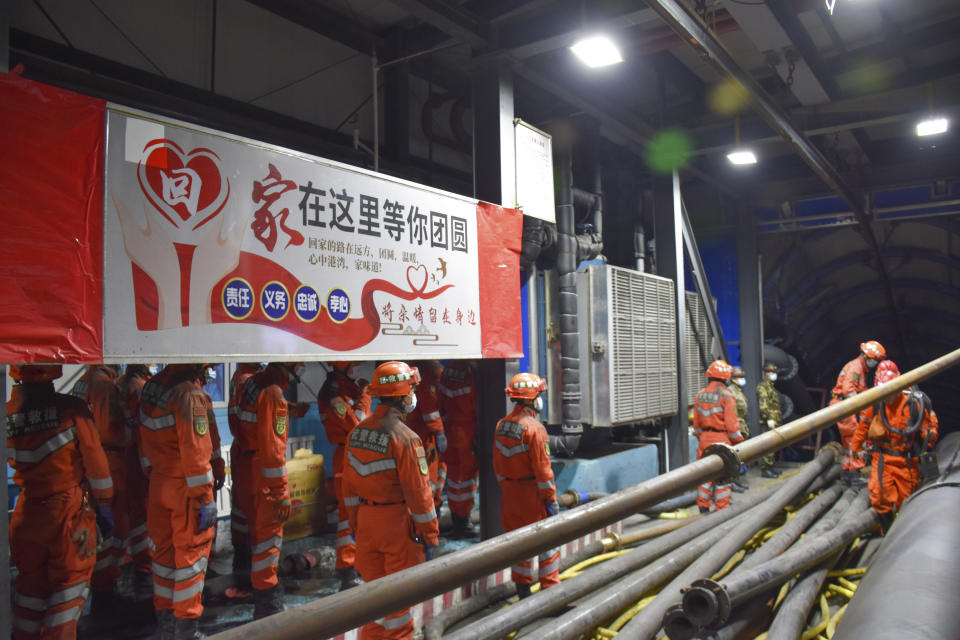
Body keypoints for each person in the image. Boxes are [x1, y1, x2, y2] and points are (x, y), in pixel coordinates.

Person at [8, 364, 114, 640]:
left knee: (28, 595)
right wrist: (104, 505)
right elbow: (97, 464)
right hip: (67, 517)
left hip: (26, 514)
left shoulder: (7, 414)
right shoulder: (72, 410)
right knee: (68, 592)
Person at [342, 361, 439, 640]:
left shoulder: (357, 432)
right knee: (398, 609)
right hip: (397, 527)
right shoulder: (407, 439)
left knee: (376, 603)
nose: (413, 396)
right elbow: (419, 496)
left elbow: (347, 485)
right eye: (411, 390)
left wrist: (355, 522)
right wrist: (430, 536)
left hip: (365, 522)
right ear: (402, 396)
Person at [139, 364, 218, 640]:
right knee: (191, 558)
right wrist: (205, 498)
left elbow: (145, 440)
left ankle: (165, 624)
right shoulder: (189, 395)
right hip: (185, 489)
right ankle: (186, 629)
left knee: (163, 558)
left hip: (159, 484)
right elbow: (196, 455)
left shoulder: (152, 387)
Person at [238, 362, 304, 619]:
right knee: (268, 538)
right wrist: (280, 494)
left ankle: (261, 592)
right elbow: (274, 450)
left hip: (247, 465)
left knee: (256, 534)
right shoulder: (274, 394)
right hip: (264, 474)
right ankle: (268, 604)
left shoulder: (250, 383)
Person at [850, 360, 938, 532]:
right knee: (879, 494)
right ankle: (886, 529)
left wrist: (930, 436)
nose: (887, 396)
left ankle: (903, 531)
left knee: (907, 499)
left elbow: (927, 427)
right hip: (883, 458)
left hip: (906, 460)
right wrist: (855, 447)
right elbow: (863, 426)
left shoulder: (914, 404)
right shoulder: (875, 403)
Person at [70, 365, 131, 613]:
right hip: (108, 461)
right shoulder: (104, 386)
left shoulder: (82, 382)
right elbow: (108, 431)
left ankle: (102, 587)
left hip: (88, 465)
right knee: (115, 530)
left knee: (101, 532)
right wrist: (132, 431)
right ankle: (105, 590)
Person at [493, 373, 560, 599]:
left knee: (519, 545)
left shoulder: (501, 425)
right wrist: (550, 499)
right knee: (547, 543)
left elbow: (498, 465)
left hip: (510, 495)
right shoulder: (535, 429)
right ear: (531, 399)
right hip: (533, 496)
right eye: (539, 394)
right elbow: (543, 471)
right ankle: (550, 593)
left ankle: (523, 592)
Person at [316, 361, 370, 590]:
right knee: (349, 513)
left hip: (357, 453)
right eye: (354, 364)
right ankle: (347, 570)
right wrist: (365, 399)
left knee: (361, 512)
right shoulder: (333, 394)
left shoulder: (349, 387)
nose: (358, 367)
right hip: (346, 456)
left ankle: (359, 563)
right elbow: (356, 425)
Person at [116, 364, 154, 601]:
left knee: (126, 514)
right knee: (141, 515)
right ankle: (144, 568)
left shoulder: (120, 385)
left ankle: (130, 564)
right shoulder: (140, 389)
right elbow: (142, 430)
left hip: (119, 458)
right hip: (135, 459)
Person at [226, 362, 263, 589]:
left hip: (242, 450)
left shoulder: (240, 376)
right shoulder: (251, 380)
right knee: (256, 515)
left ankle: (241, 564)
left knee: (241, 510)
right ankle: (254, 578)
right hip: (253, 454)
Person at [830, 340, 885, 487]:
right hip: (846, 407)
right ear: (868, 357)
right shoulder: (856, 368)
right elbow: (849, 390)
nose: (876, 364)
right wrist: (863, 408)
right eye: (876, 360)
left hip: (845, 407)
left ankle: (847, 475)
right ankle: (854, 475)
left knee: (849, 442)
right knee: (856, 439)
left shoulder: (859, 367)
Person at [693, 360, 743, 513]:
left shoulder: (700, 395)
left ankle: (703, 506)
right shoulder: (727, 396)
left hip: (704, 440)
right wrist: (738, 442)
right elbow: (732, 426)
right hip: (722, 440)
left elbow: (696, 425)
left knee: (705, 475)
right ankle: (722, 509)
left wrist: (703, 438)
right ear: (726, 377)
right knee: (723, 475)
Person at [438, 359, 479, 538]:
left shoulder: (448, 370)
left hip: (450, 429)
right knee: (466, 479)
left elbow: (440, 401)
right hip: (467, 432)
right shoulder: (473, 372)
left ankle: (457, 520)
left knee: (455, 478)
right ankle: (463, 522)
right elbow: (478, 404)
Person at [407, 361, 448, 508]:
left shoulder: (418, 369)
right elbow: (430, 410)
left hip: (419, 432)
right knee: (427, 475)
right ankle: (430, 509)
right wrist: (440, 431)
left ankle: (432, 507)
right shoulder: (429, 372)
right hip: (424, 435)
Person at [756, 363, 782, 478]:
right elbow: (764, 405)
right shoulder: (763, 387)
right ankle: (765, 469)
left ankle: (771, 467)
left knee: (773, 446)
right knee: (767, 445)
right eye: (772, 372)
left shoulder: (770, 387)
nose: (774, 375)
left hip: (775, 420)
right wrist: (769, 418)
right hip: (768, 421)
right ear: (767, 373)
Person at [727, 366, 750, 492]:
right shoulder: (730, 392)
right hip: (735, 428)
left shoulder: (738, 391)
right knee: (734, 458)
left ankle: (737, 481)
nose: (742, 379)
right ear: (733, 379)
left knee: (739, 458)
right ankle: (732, 482)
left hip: (741, 427)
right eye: (739, 377)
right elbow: (731, 414)